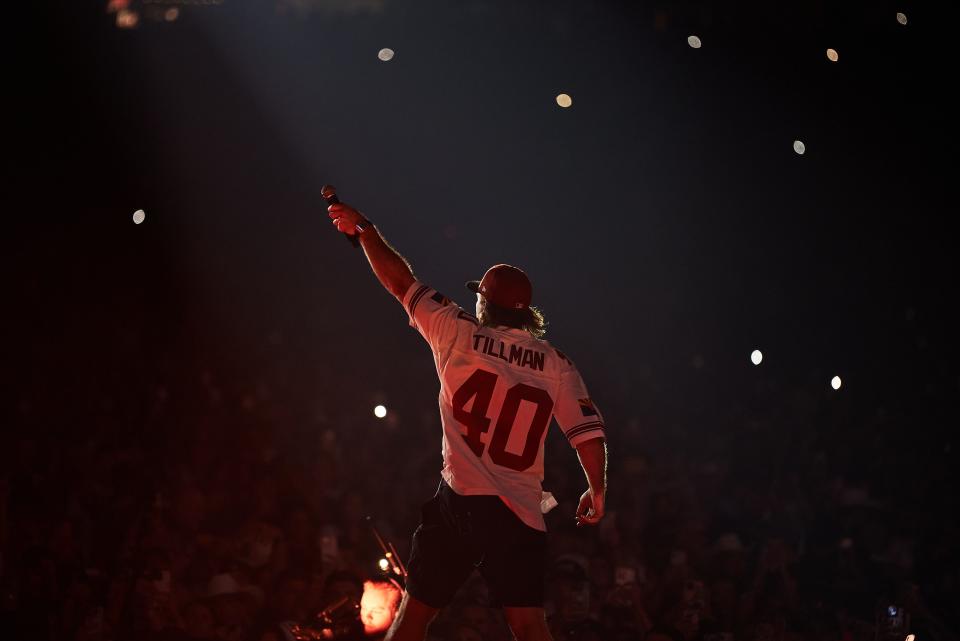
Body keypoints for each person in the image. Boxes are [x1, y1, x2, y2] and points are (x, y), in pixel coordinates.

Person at [327, 202, 609, 641]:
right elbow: (588, 436)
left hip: (461, 501)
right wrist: (597, 487)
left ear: (484, 303)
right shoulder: (557, 363)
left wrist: (364, 230)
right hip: (520, 512)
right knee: (530, 624)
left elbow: (400, 281)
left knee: (415, 616)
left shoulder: (456, 331)